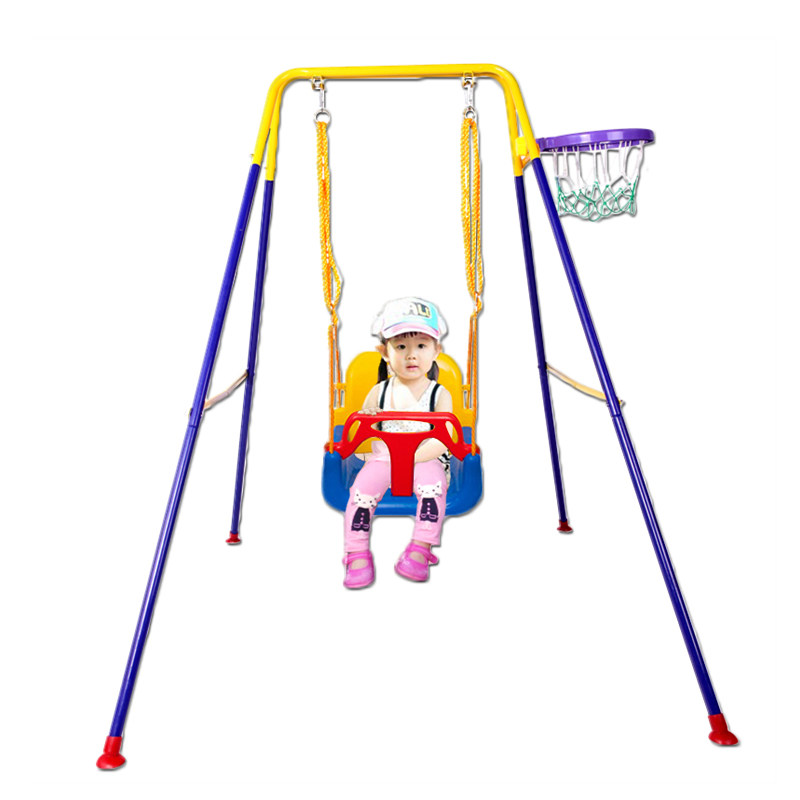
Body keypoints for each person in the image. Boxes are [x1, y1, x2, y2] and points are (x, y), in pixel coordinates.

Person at [343, 297, 453, 589]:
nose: (411, 355)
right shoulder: (379, 391)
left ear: (436, 351)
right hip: (383, 459)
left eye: (421, 346)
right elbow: (364, 430)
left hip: (425, 459)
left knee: (433, 490)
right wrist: (369, 417)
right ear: (384, 352)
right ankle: (356, 553)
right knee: (360, 494)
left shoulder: (439, 394)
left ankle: (420, 548)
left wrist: (411, 457)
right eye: (401, 346)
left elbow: (443, 440)